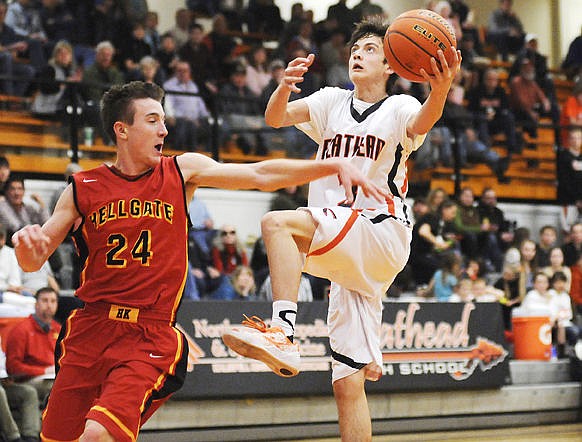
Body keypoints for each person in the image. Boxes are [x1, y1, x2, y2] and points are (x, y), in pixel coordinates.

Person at [11, 80, 386, 441]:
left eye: (164, 120)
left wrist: (329, 166)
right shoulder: (82, 187)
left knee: (98, 435)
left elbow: (259, 174)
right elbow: (34, 257)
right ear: (121, 130)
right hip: (90, 329)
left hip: (148, 334)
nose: (164, 130)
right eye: (153, 120)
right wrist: (27, 246)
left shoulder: (180, 171)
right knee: (61, 437)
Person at [221, 17, 461, 441]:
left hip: (380, 229)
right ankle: (288, 335)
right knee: (347, 384)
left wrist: (439, 88)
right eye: (355, 49)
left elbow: (424, 121)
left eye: (370, 50)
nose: (358, 55)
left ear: (392, 65)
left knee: (277, 223)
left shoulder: (399, 106)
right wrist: (284, 86)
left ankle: (282, 330)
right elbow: (275, 118)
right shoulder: (331, 100)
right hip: (346, 246)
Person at [5, 286, 60, 406]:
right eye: (45, 300)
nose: (49, 305)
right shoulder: (21, 330)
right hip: (29, 379)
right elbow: (13, 367)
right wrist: (43, 371)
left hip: (53, 376)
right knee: (58, 388)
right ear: (36, 304)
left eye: (53, 301)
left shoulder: (58, 328)